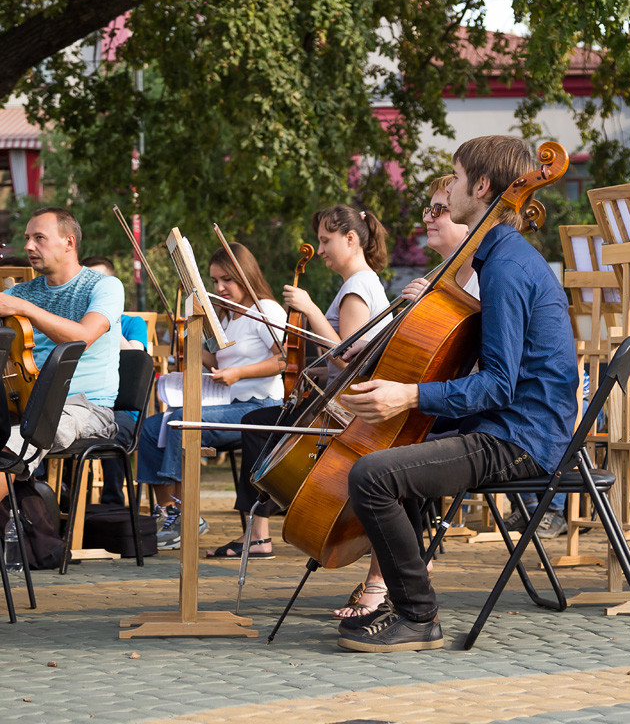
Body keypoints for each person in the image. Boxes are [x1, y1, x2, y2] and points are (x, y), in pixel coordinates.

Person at [335, 134, 578, 653]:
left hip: (519, 439)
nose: (455, 188)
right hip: (513, 426)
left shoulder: (507, 268)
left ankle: (417, 615)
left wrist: (408, 397)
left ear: (483, 186)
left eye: (460, 179)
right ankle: (396, 594)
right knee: (396, 446)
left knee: (371, 475)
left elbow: (498, 384)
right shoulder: (501, 256)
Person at [213, 204, 390, 563]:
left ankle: (264, 529)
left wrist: (309, 309)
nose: (320, 249)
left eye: (326, 241)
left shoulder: (357, 287)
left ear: (351, 239)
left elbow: (347, 358)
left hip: (348, 412)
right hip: (344, 402)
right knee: (259, 424)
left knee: (258, 425)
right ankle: (261, 527)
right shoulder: (359, 283)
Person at [137, 242, 285, 550]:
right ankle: (169, 511)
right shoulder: (226, 319)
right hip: (226, 404)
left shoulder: (265, 310)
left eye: (227, 280)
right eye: (215, 281)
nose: (220, 287)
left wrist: (239, 374)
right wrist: (193, 349)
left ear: (245, 275)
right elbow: (221, 363)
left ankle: (185, 515)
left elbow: (284, 361)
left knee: (181, 422)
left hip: (260, 406)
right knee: (151, 428)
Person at [0, 208, 122, 497]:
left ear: (69, 242)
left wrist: (24, 308)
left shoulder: (105, 286)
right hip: (24, 402)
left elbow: (81, 339)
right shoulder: (20, 293)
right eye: (28, 238)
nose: (29, 246)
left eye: (39, 238)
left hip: (86, 407)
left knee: (13, 444)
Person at [79, 255, 149, 505]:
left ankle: (113, 504)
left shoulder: (132, 323)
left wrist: (108, 320)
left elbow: (136, 355)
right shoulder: (76, 323)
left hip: (121, 410)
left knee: (113, 431)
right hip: (82, 403)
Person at [80, 256, 148, 351]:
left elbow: (136, 357)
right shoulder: (72, 321)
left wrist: (102, 323)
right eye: (85, 282)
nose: (93, 288)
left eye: (99, 282)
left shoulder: (133, 323)